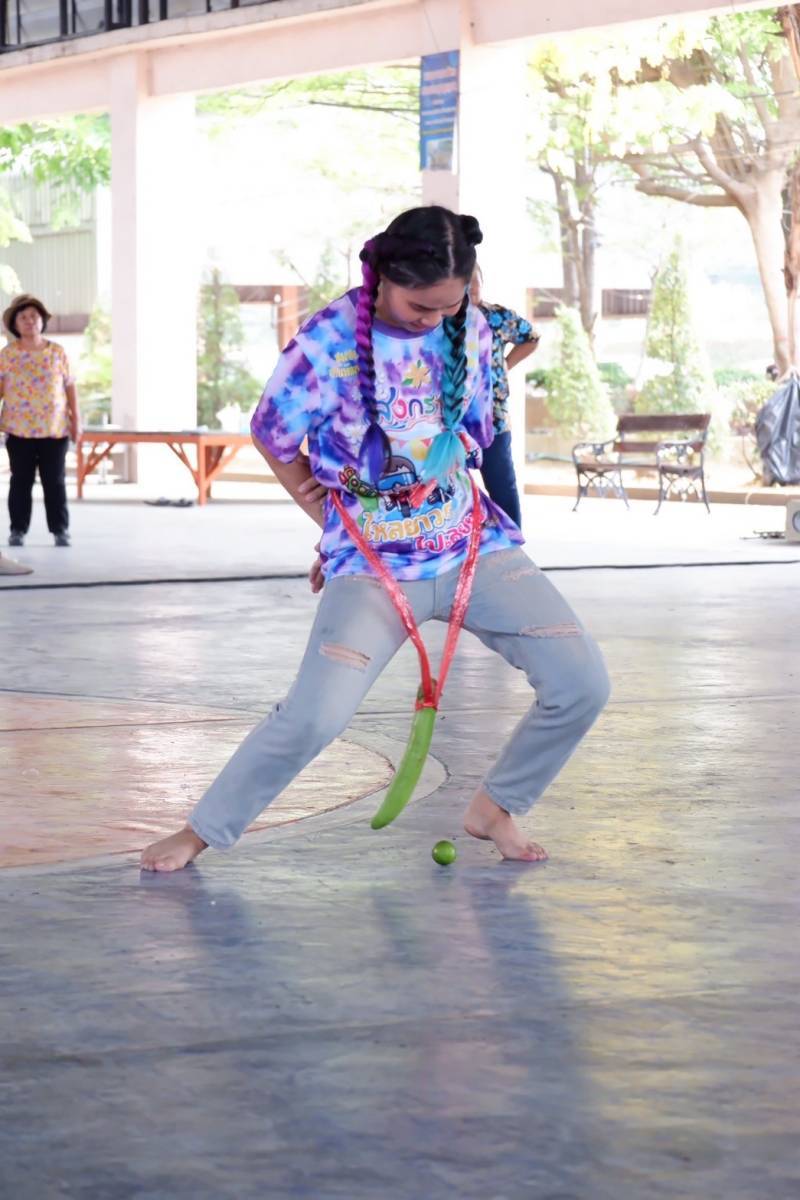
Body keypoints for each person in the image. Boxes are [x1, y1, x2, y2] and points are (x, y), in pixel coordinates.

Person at [140, 206, 609, 873]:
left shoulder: (473, 331)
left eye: (448, 306)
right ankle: (200, 831)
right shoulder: (325, 342)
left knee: (582, 682)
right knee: (314, 716)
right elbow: (273, 434)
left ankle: (497, 806)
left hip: (472, 549)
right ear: (382, 276)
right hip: (372, 570)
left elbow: (470, 438)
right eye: (420, 306)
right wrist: (329, 523)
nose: (432, 320)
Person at [0, 294, 81, 548]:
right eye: (23, 317)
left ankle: (60, 530)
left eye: (34, 316)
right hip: (18, 429)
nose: (29, 321)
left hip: (54, 429)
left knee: (54, 481)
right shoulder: (7, 355)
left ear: (42, 321)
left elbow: (70, 387)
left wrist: (76, 421)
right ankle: (17, 530)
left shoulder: (57, 352)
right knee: (20, 482)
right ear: (15, 324)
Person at [469, 266, 539, 528]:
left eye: (473, 282)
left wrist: (506, 365)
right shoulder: (438, 318)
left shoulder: (497, 316)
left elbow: (531, 338)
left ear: (482, 282)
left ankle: (512, 536)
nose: (468, 288)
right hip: (451, 419)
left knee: (501, 483)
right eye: (462, 282)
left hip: (493, 415)